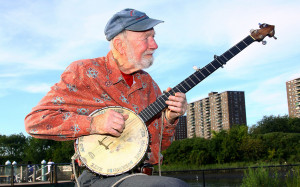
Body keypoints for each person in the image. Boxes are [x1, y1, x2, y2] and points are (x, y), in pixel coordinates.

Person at [25, 8, 188, 187]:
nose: (154, 45)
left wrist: (170, 118)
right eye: (146, 38)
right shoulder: (84, 73)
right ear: (120, 45)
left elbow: (160, 147)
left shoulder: (148, 84)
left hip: (143, 176)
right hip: (97, 178)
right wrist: (94, 124)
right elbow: (35, 121)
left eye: (154, 37)